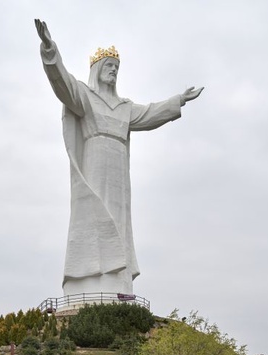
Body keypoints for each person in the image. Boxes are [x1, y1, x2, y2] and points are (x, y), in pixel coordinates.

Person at [34, 19, 203, 297]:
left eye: (116, 68)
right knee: (93, 215)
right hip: (94, 164)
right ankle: (89, 279)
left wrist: (179, 100)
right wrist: (50, 50)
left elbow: (150, 113)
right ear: (98, 70)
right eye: (109, 67)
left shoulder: (124, 108)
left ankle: (117, 284)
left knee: (119, 219)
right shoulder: (86, 97)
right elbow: (63, 84)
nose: (113, 71)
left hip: (119, 171)